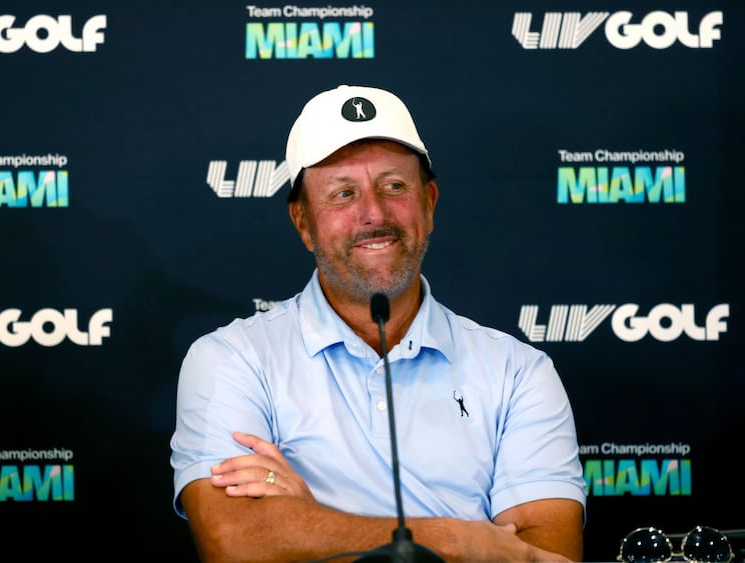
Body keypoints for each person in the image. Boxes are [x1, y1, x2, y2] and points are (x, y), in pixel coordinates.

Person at [170, 84, 587, 562]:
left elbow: (547, 556)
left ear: (429, 204)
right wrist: (462, 540)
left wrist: (308, 524)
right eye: (343, 193)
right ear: (303, 222)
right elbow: (238, 542)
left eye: (394, 186)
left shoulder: (518, 370)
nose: (373, 213)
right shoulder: (231, 359)